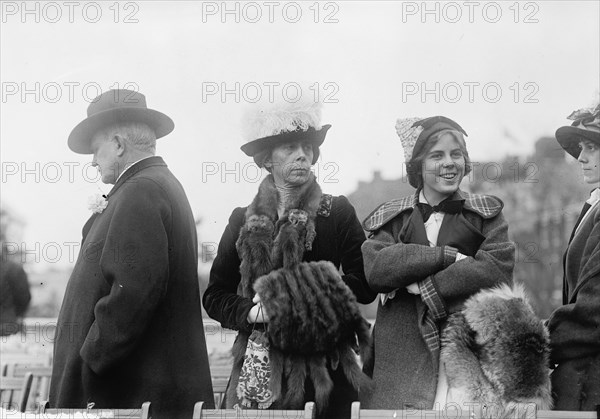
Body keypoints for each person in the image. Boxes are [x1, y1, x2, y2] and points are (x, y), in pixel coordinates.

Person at [202, 100, 376, 418]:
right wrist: (253, 312)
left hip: (325, 371)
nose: (303, 155)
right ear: (267, 158)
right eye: (290, 147)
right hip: (259, 371)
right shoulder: (242, 220)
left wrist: (311, 295)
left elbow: (365, 283)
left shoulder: (335, 212)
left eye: (308, 147)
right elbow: (214, 296)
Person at [49, 89, 214, 418]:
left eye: (96, 150)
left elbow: (134, 291)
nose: (93, 161)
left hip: (126, 395)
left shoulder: (141, 190)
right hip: (134, 392)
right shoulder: (153, 185)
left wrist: (90, 360)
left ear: (119, 144)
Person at [360, 116, 515, 410]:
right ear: (418, 166)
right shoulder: (394, 217)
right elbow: (377, 267)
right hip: (401, 366)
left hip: (468, 358)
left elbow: (496, 270)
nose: (449, 163)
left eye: (456, 154)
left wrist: (423, 286)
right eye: (437, 155)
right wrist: (446, 256)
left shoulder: (486, 215)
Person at [548, 103, 600, 411]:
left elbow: (593, 312)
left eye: (592, 147)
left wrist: (537, 344)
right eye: (581, 148)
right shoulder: (593, 206)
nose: (581, 157)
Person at [0, 256, 31, 336]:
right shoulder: (14, 268)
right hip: (9, 326)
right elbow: (24, 297)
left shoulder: (14, 269)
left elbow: (24, 297)